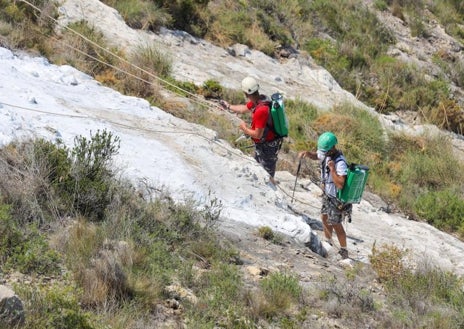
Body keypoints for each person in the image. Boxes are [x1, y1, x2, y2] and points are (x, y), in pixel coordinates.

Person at [220, 76, 283, 185]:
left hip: (267, 147)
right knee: (259, 171)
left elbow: (257, 135)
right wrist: (228, 106)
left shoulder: (260, 110)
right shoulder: (261, 99)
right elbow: (243, 108)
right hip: (266, 144)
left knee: (266, 178)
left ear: (245, 94)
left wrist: (244, 128)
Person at [298, 132, 351, 259]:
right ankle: (328, 242)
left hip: (336, 199)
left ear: (332, 148)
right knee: (324, 217)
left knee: (336, 224)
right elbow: (318, 156)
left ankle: (344, 251)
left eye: (325, 151)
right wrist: (308, 154)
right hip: (328, 195)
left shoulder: (340, 162)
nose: (324, 153)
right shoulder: (327, 153)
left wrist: (332, 169)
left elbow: (340, 184)